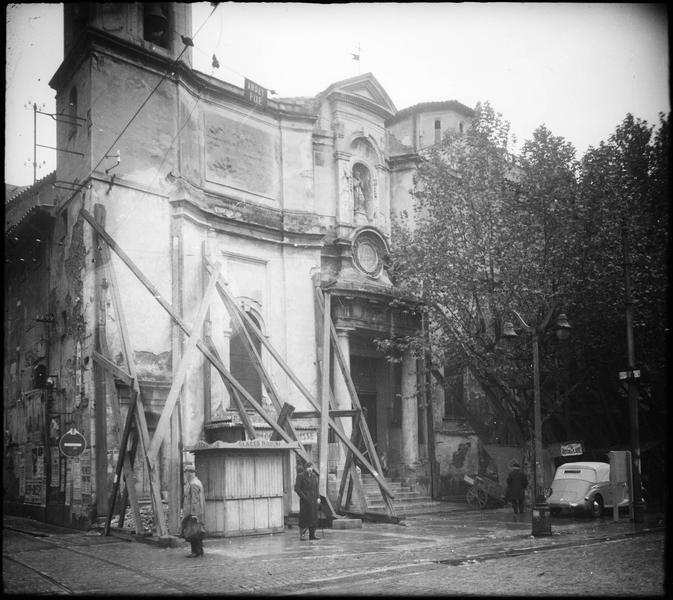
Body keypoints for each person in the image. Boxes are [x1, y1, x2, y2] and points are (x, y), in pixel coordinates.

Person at [181, 463, 206, 557]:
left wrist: (194, 514)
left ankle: (195, 552)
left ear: (190, 473)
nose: (185, 475)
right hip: (196, 512)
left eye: (186, 473)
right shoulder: (196, 482)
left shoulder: (193, 484)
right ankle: (199, 551)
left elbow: (195, 500)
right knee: (196, 532)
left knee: (192, 532)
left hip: (193, 513)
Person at [294, 460, 320, 540]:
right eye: (308, 467)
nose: (310, 469)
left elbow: (316, 488)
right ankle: (302, 535)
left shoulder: (314, 476)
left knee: (313, 518)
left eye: (311, 467)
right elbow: (297, 489)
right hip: (305, 501)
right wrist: (304, 497)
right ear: (305, 468)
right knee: (304, 518)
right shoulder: (300, 476)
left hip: (313, 500)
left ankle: (312, 535)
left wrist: (318, 497)